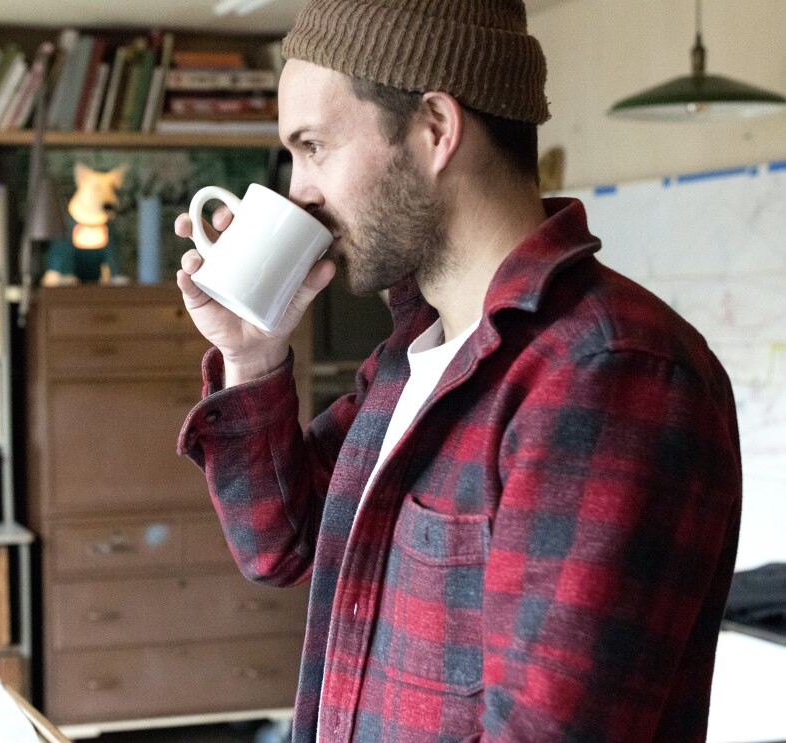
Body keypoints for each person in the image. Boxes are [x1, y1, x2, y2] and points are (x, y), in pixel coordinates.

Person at [173, 0, 743, 740]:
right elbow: (279, 544)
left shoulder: (607, 374)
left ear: (435, 129)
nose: (298, 191)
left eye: (312, 146)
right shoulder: (414, 354)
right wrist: (251, 354)